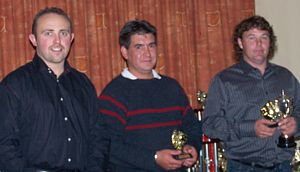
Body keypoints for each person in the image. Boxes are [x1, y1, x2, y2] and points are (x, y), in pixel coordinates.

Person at [91, 19, 202, 171]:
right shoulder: (114, 94)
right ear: (124, 52)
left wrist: (192, 146)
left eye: (151, 45)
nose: (147, 53)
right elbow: (110, 147)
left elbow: (192, 127)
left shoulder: (172, 87)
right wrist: (154, 158)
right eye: (139, 47)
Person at [0, 7, 101, 171]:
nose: (57, 41)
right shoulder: (14, 85)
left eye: (63, 33)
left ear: (72, 38)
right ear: (33, 39)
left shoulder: (84, 85)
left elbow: (98, 138)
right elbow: (4, 145)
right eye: (48, 33)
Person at [202, 15, 300, 172]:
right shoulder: (224, 80)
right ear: (240, 43)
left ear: (270, 42)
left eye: (264, 37)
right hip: (244, 167)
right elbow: (209, 125)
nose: (259, 44)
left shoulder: (286, 77)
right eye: (252, 38)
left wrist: (296, 124)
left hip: (284, 166)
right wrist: (250, 128)